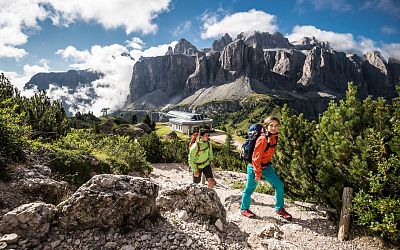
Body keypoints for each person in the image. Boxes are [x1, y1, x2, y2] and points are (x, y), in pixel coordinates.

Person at [240, 116, 292, 220]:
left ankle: (279, 208)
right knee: (250, 188)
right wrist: (258, 173)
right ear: (266, 126)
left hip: (266, 166)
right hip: (254, 167)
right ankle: (244, 209)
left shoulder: (274, 136)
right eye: (271, 125)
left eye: (276, 125)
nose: (274, 128)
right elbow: (256, 158)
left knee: (279, 185)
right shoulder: (262, 139)